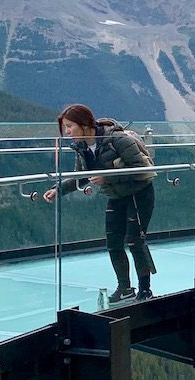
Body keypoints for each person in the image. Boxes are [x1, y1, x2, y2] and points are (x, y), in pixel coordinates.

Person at [44, 104, 157, 303]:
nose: (67, 132)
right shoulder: (81, 147)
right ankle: (125, 288)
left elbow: (143, 170)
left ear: (85, 124)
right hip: (116, 195)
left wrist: (107, 178)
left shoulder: (118, 139)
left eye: (70, 127)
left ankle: (145, 290)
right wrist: (58, 190)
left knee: (135, 241)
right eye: (65, 128)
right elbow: (82, 176)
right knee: (113, 243)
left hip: (139, 193)